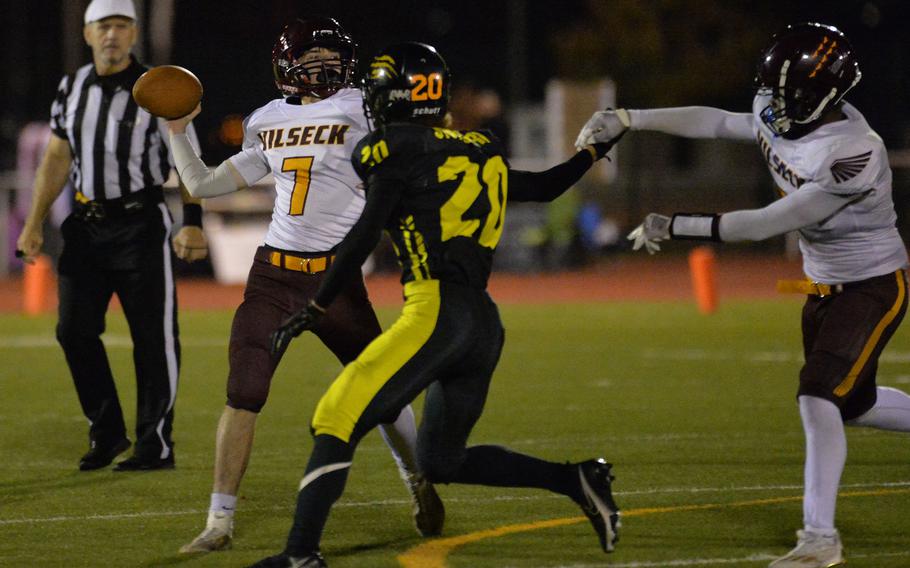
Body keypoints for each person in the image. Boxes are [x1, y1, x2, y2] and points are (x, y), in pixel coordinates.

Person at [250, 42, 624, 568]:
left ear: (394, 98)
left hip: (435, 310)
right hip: (482, 323)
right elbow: (541, 188)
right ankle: (575, 478)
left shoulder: (394, 148)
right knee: (441, 459)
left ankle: (299, 555)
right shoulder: (479, 150)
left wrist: (318, 305)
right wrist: (590, 153)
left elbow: (362, 234)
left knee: (336, 415)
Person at [578, 22, 910, 568]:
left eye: (791, 95)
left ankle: (820, 539)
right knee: (853, 403)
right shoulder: (783, 108)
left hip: (872, 283)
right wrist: (630, 118)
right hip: (823, 283)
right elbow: (718, 121)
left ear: (826, 93)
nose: (775, 106)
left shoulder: (854, 153)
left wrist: (674, 225)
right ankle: (820, 534)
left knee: (818, 396)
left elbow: (763, 224)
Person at [165, 18, 444, 554]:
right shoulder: (265, 120)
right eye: (311, 58)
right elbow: (201, 183)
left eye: (331, 57)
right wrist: (177, 131)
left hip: (337, 277)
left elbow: (411, 153)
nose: (324, 67)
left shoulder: (367, 105)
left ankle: (419, 482)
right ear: (286, 68)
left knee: (386, 390)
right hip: (274, 275)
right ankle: (219, 522)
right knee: (243, 391)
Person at [15, 0, 208, 472]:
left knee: (154, 337)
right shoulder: (72, 86)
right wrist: (34, 221)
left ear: (134, 34)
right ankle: (107, 432)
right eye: (104, 26)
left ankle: (154, 444)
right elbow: (57, 158)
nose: (112, 35)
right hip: (85, 225)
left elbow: (186, 158)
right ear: (87, 34)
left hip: (140, 223)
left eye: (122, 26)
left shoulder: (157, 87)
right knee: (73, 331)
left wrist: (192, 221)